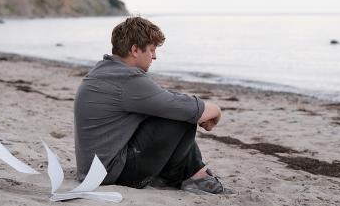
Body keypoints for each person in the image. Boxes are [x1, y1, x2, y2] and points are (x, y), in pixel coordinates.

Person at [74, 16, 230, 194]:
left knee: (172, 109)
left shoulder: (106, 71)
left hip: (96, 169)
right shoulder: (127, 79)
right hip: (110, 174)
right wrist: (215, 110)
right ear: (134, 50)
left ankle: (194, 174)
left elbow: (162, 99)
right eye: (151, 50)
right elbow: (179, 106)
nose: (155, 56)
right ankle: (197, 176)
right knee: (179, 115)